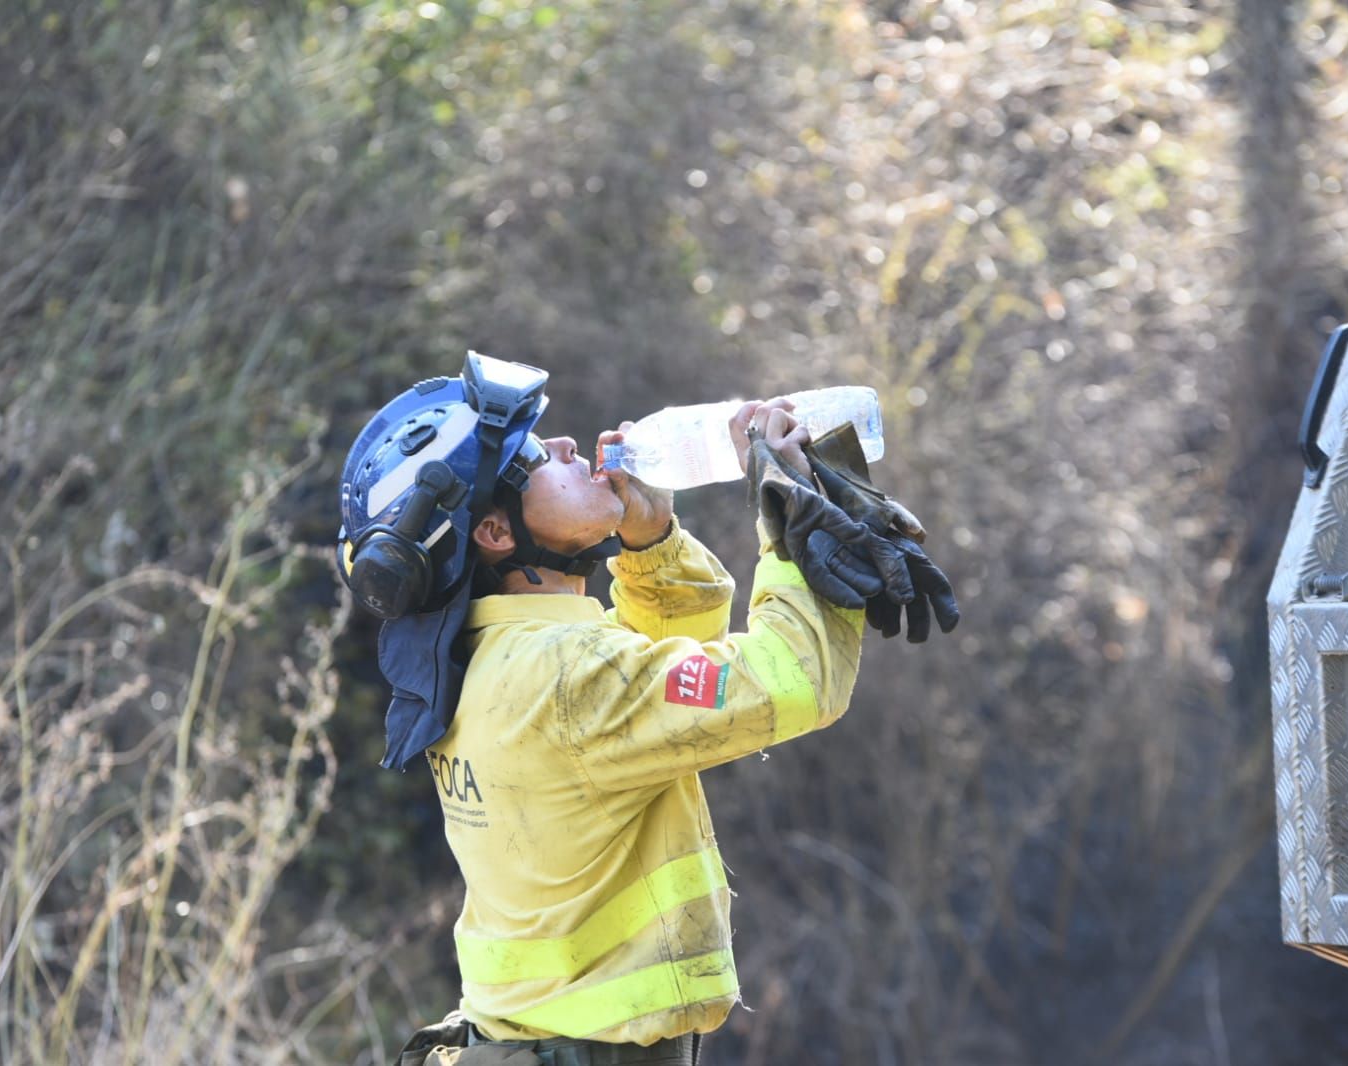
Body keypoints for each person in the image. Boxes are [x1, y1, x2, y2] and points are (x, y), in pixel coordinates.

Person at [337, 353, 956, 1066]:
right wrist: (789, 517)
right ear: (496, 534)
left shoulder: (503, 656)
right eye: (535, 455)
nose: (568, 447)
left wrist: (652, 546)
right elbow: (790, 682)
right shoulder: (561, 677)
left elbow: (660, 710)